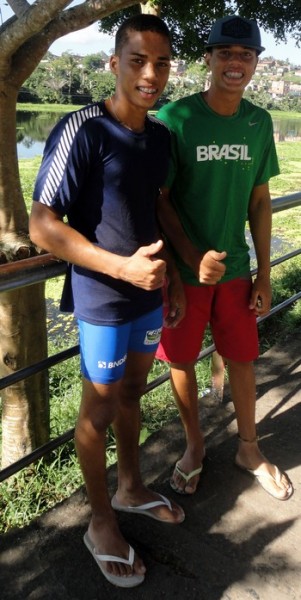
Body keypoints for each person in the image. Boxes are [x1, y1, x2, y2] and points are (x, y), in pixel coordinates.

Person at [29, 14, 186, 589]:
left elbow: (157, 206)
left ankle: (130, 487)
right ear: (114, 62)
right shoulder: (83, 129)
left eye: (161, 63)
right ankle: (99, 523)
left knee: (132, 394)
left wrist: (177, 279)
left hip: (150, 297)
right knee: (96, 411)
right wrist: (121, 268)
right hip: (102, 300)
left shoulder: (160, 136)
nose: (151, 74)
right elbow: (43, 225)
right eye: (138, 60)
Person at [156, 15, 294, 501]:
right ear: (209, 59)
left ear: (256, 63)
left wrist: (263, 273)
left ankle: (249, 449)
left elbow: (259, 201)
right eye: (226, 54)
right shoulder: (176, 119)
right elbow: (160, 198)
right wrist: (188, 262)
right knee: (182, 360)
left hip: (236, 271)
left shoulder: (260, 122)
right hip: (184, 277)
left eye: (246, 56)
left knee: (242, 358)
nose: (235, 64)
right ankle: (194, 447)